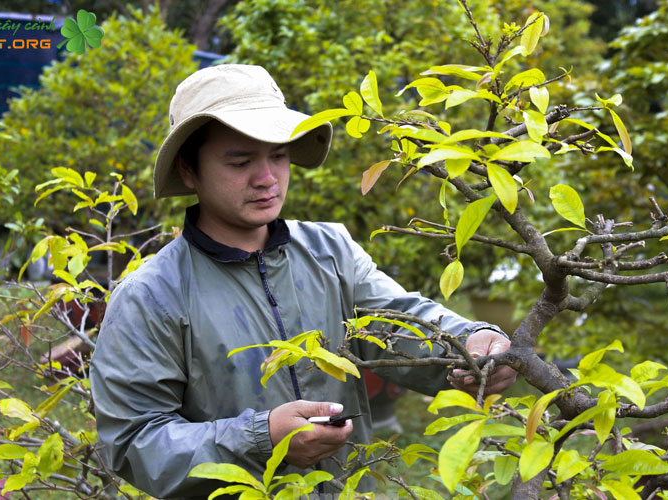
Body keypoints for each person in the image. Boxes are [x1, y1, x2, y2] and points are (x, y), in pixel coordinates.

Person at [89, 64, 516, 500]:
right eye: (240, 161)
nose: (267, 179)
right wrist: (261, 437)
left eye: (278, 155)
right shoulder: (152, 296)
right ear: (188, 170)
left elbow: (399, 322)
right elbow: (133, 441)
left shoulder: (330, 250)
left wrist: (469, 345)